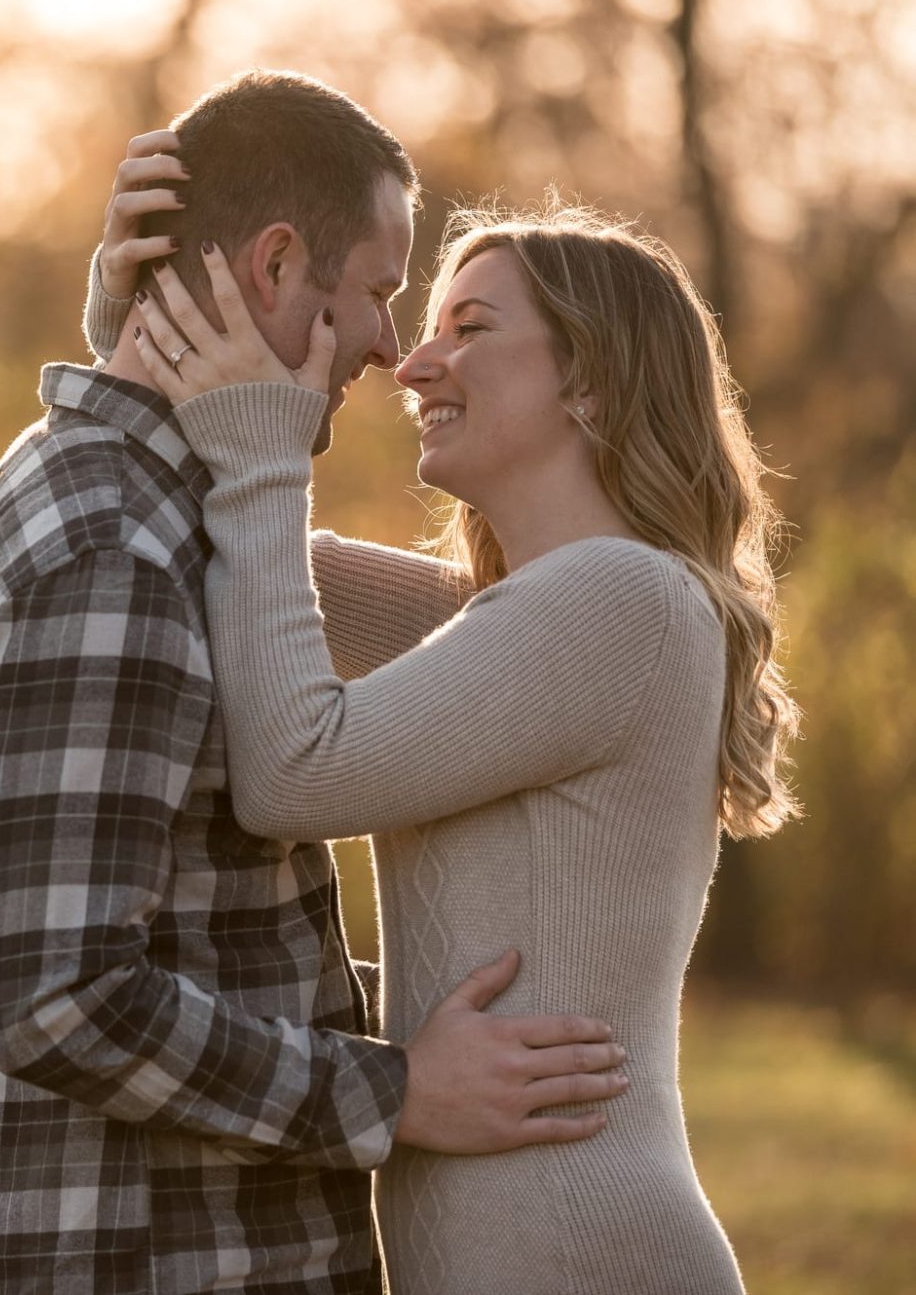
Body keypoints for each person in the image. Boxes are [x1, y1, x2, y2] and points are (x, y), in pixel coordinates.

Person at [0, 70, 629, 1295]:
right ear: (277, 265)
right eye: (376, 293)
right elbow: (61, 996)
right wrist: (394, 1089)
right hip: (154, 1262)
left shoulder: (151, 516)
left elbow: (197, 939)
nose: (389, 347)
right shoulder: (109, 550)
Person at [84, 137, 799, 1292]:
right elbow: (229, 561)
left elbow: (293, 773)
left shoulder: (619, 604)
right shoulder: (523, 614)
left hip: (580, 1251)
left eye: (468, 328)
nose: (411, 364)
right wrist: (135, 330)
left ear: (591, 380)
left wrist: (265, 452)